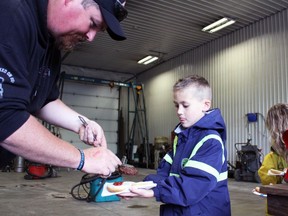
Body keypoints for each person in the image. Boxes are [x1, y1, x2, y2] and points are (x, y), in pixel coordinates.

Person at [0, 0, 128, 175]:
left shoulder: (51, 42)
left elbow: (45, 100)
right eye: (92, 23)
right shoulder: (10, 15)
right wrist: (82, 158)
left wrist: (82, 123)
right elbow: (5, 117)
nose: (91, 37)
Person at [120, 75, 231, 215]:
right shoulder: (182, 139)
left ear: (205, 105)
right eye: (176, 105)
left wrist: (155, 191)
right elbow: (164, 174)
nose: (179, 111)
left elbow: (191, 187)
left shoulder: (211, 141)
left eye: (185, 105)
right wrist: (140, 186)